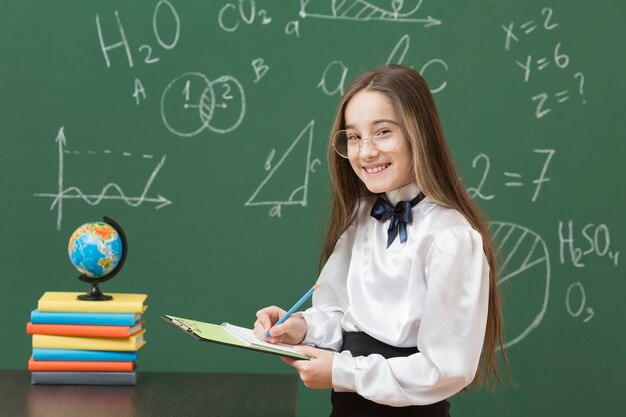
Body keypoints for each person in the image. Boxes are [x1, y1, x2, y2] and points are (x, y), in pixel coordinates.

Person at [253, 64, 508, 416]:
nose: (366, 151)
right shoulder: (361, 216)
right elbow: (340, 312)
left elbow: (445, 368)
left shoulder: (451, 237)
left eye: (383, 132)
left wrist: (342, 371)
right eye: (354, 137)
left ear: (420, 133)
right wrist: (301, 327)